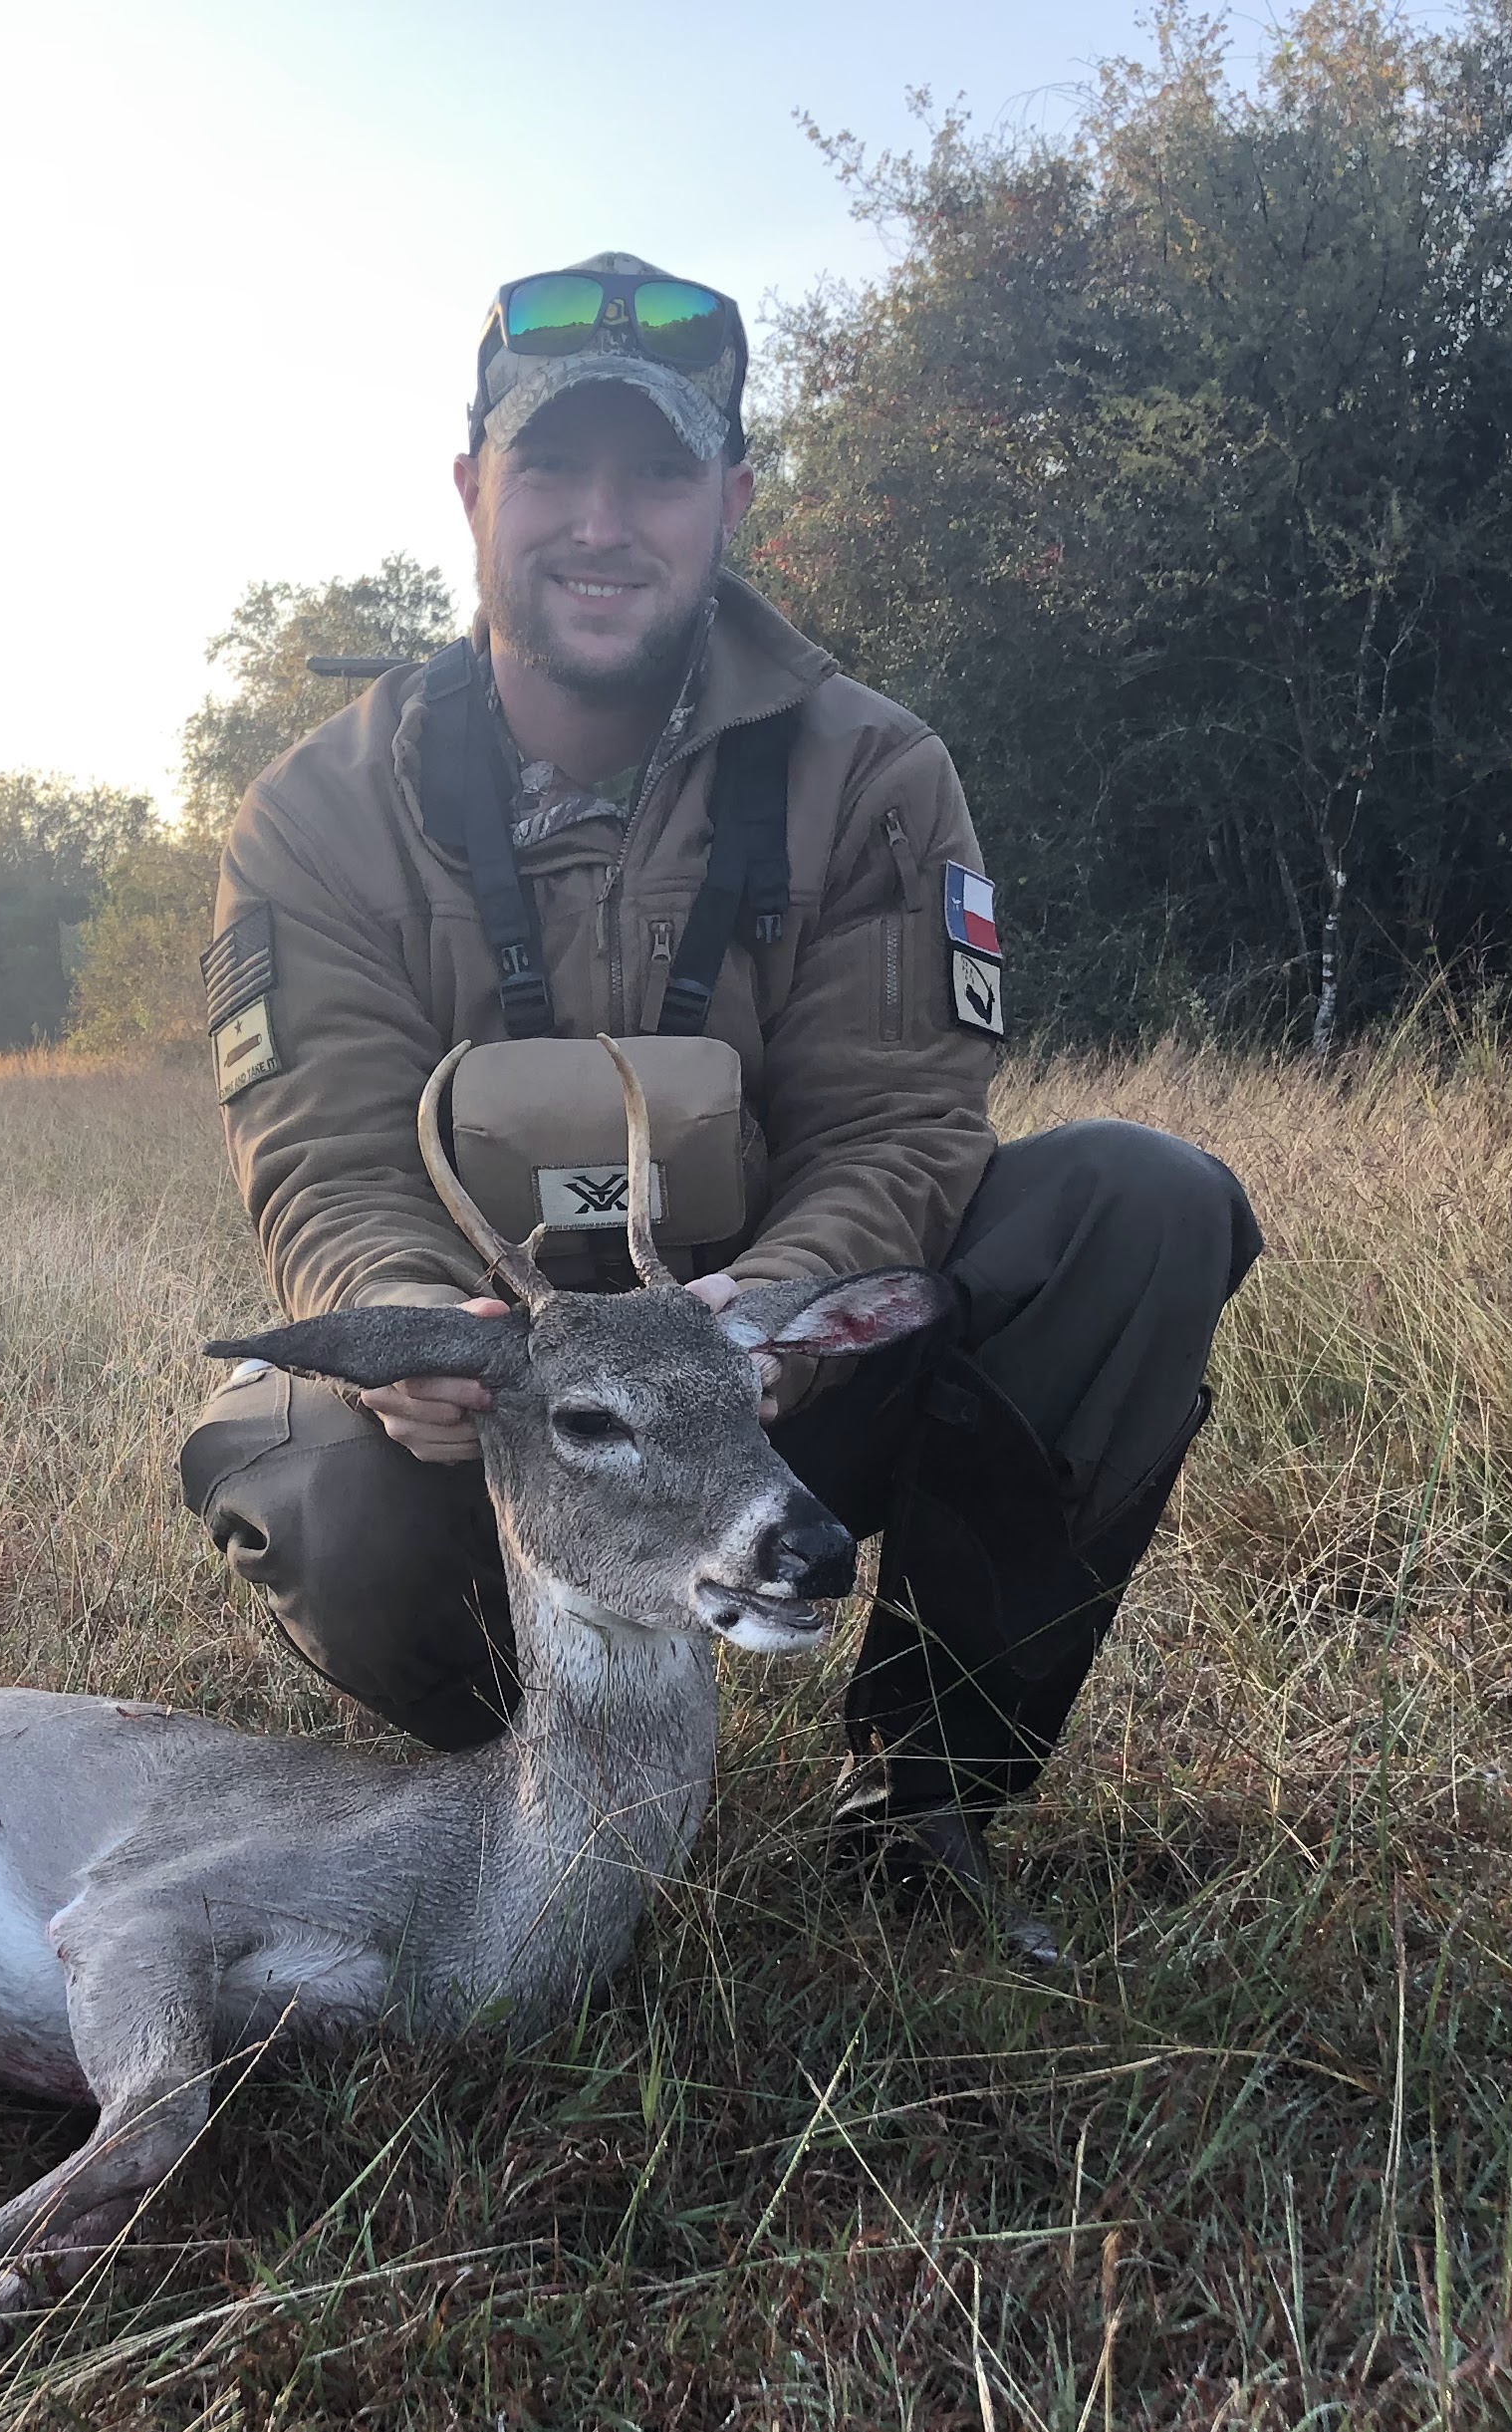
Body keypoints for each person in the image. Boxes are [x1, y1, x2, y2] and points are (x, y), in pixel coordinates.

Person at [178, 253, 1260, 1913]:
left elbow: (905, 1121)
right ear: (473, 489)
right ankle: (532, 1772)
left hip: (776, 1388)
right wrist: (403, 1318)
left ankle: (921, 1807)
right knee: (313, 1472)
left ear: (730, 501)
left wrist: (775, 1309)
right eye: (553, 469)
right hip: (505, 1417)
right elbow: (322, 1145)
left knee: (1141, 1204)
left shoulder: (874, 771)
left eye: (660, 474)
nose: (602, 524)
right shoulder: (316, 813)